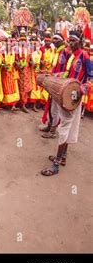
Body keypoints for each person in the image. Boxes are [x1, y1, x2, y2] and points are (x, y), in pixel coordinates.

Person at [41, 31, 92, 176]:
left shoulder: (85, 56)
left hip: (74, 96)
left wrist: (83, 89)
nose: (70, 43)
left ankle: (56, 164)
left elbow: (91, 76)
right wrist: (55, 75)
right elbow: (67, 74)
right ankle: (62, 157)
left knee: (64, 127)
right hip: (66, 94)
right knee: (67, 126)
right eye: (69, 40)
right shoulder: (72, 56)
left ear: (80, 41)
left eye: (73, 40)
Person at [41, 33, 68, 138]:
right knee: (51, 105)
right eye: (53, 39)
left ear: (62, 40)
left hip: (59, 83)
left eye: (56, 39)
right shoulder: (58, 52)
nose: (53, 41)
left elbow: (65, 70)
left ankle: (52, 131)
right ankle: (50, 125)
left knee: (55, 108)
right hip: (55, 81)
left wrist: (57, 77)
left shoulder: (64, 52)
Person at [15, 29, 33, 113]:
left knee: (26, 87)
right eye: (21, 40)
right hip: (20, 70)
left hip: (27, 70)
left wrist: (31, 62)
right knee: (21, 87)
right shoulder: (16, 48)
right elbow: (15, 59)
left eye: (24, 40)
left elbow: (30, 58)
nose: (23, 41)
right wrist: (18, 63)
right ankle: (22, 104)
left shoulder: (28, 48)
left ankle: (25, 103)